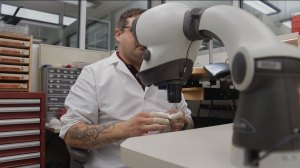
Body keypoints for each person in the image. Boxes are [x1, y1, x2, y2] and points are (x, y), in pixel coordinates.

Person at [59, 8, 194, 168]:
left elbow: (189, 121)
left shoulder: (168, 72)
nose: (145, 38)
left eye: (152, 32)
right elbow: (71, 134)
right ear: (118, 34)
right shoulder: (94, 74)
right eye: (138, 31)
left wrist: (182, 123)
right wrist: (124, 129)